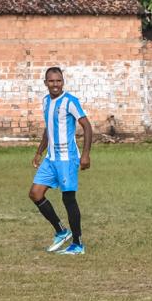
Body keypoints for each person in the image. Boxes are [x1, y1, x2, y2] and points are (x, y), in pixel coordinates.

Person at [28, 66, 91, 255]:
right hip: (51, 159)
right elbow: (49, 129)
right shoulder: (46, 101)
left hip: (67, 159)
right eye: (51, 81)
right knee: (35, 194)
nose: (55, 84)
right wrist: (40, 152)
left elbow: (87, 127)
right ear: (45, 82)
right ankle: (62, 231)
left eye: (59, 81)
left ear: (62, 82)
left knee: (68, 199)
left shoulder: (70, 101)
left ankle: (78, 244)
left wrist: (86, 154)